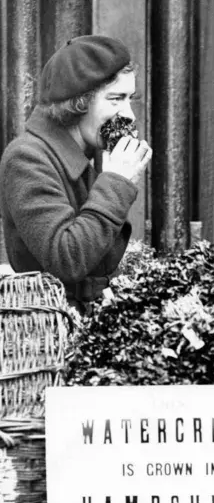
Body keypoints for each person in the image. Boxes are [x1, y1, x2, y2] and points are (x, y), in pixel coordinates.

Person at [0, 34, 152, 312]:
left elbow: (103, 258)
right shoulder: (27, 158)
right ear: (79, 101)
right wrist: (117, 183)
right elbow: (67, 259)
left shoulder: (81, 156)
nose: (128, 115)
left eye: (130, 99)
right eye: (116, 99)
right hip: (49, 332)